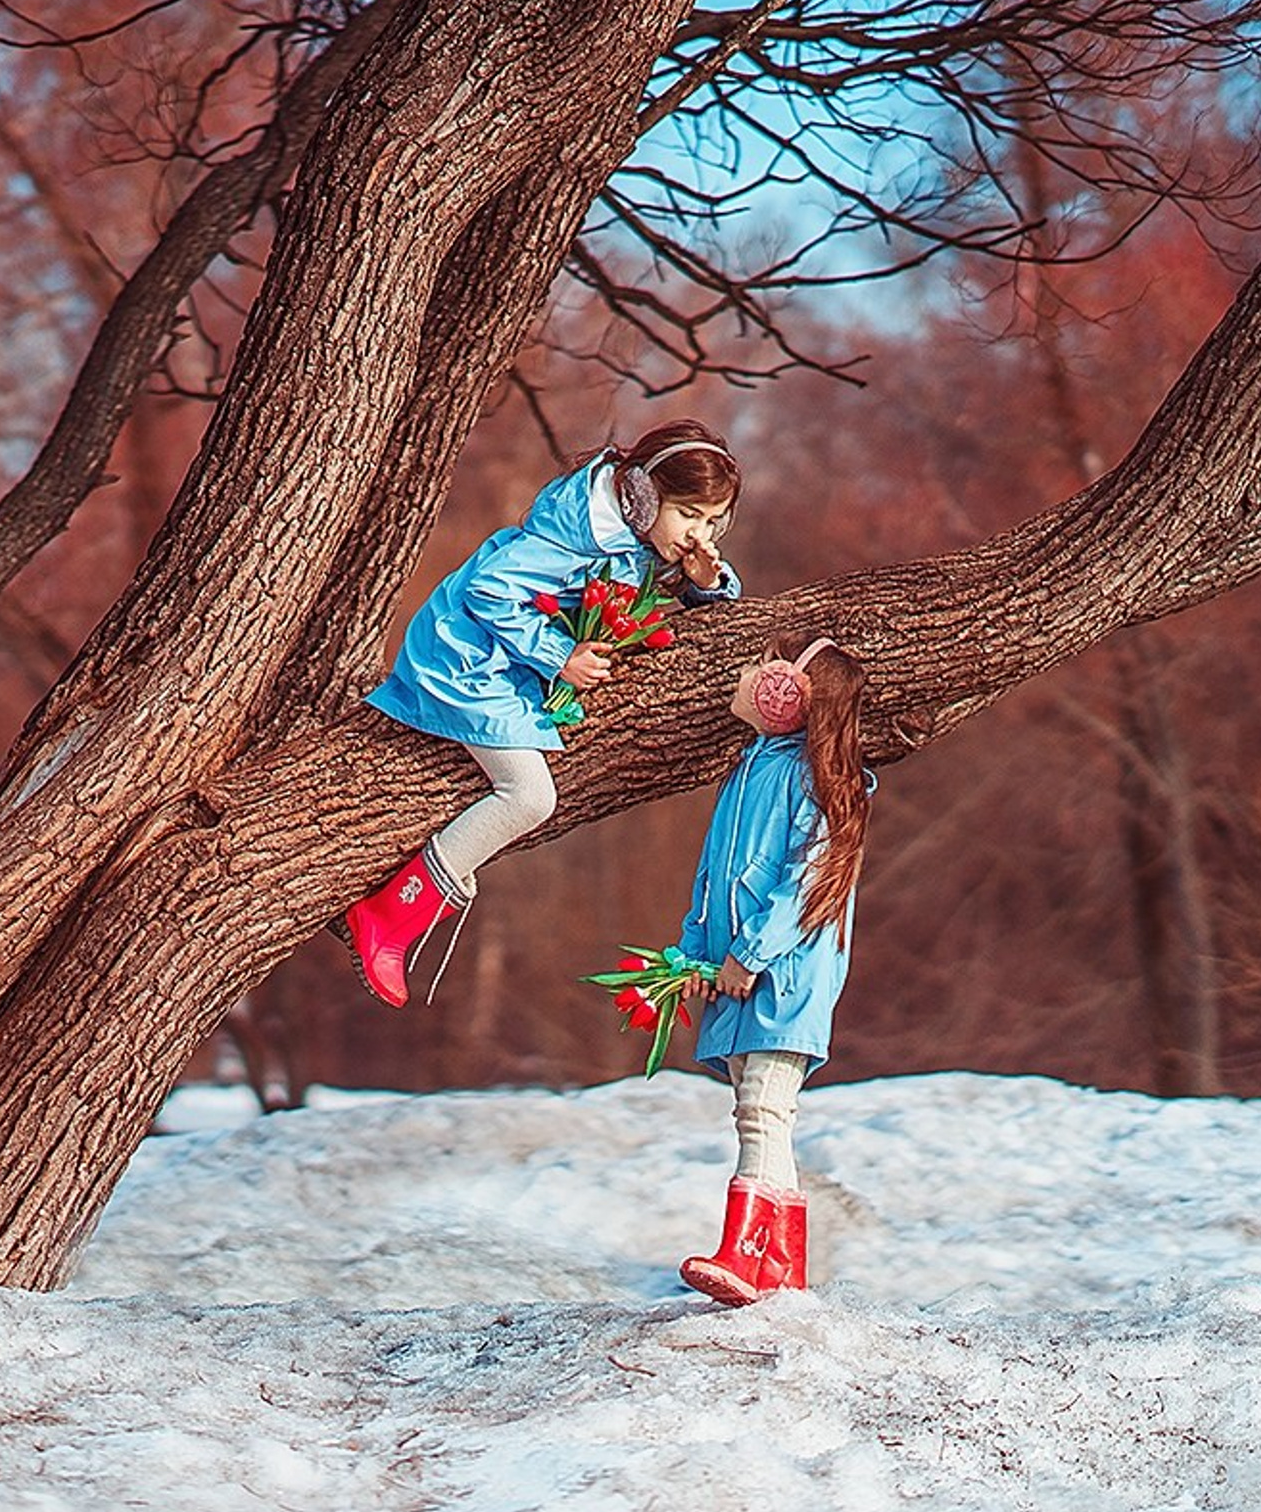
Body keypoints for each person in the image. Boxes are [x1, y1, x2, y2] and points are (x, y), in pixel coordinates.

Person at [346, 421, 743, 1007]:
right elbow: (487, 591)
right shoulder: (576, 532)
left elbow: (648, 584)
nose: (698, 533)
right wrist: (561, 657)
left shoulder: (638, 539)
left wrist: (706, 582)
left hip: (504, 662)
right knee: (529, 797)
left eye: (713, 521)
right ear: (643, 495)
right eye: (689, 515)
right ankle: (389, 915)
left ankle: (401, 910)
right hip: (466, 657)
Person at [673, 634, 872, 1305]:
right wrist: (697, 955)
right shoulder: (750, 769)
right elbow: (712, 880)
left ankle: (745, 1254)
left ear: (787, 695)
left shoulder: (813, 781)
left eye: (765, 666)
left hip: (783, 973)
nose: (750, 672)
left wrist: (749, 954)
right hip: (737, 970)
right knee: (761, 1112)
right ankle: (779, 1268)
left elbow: (808, 882)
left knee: (762, 1106)